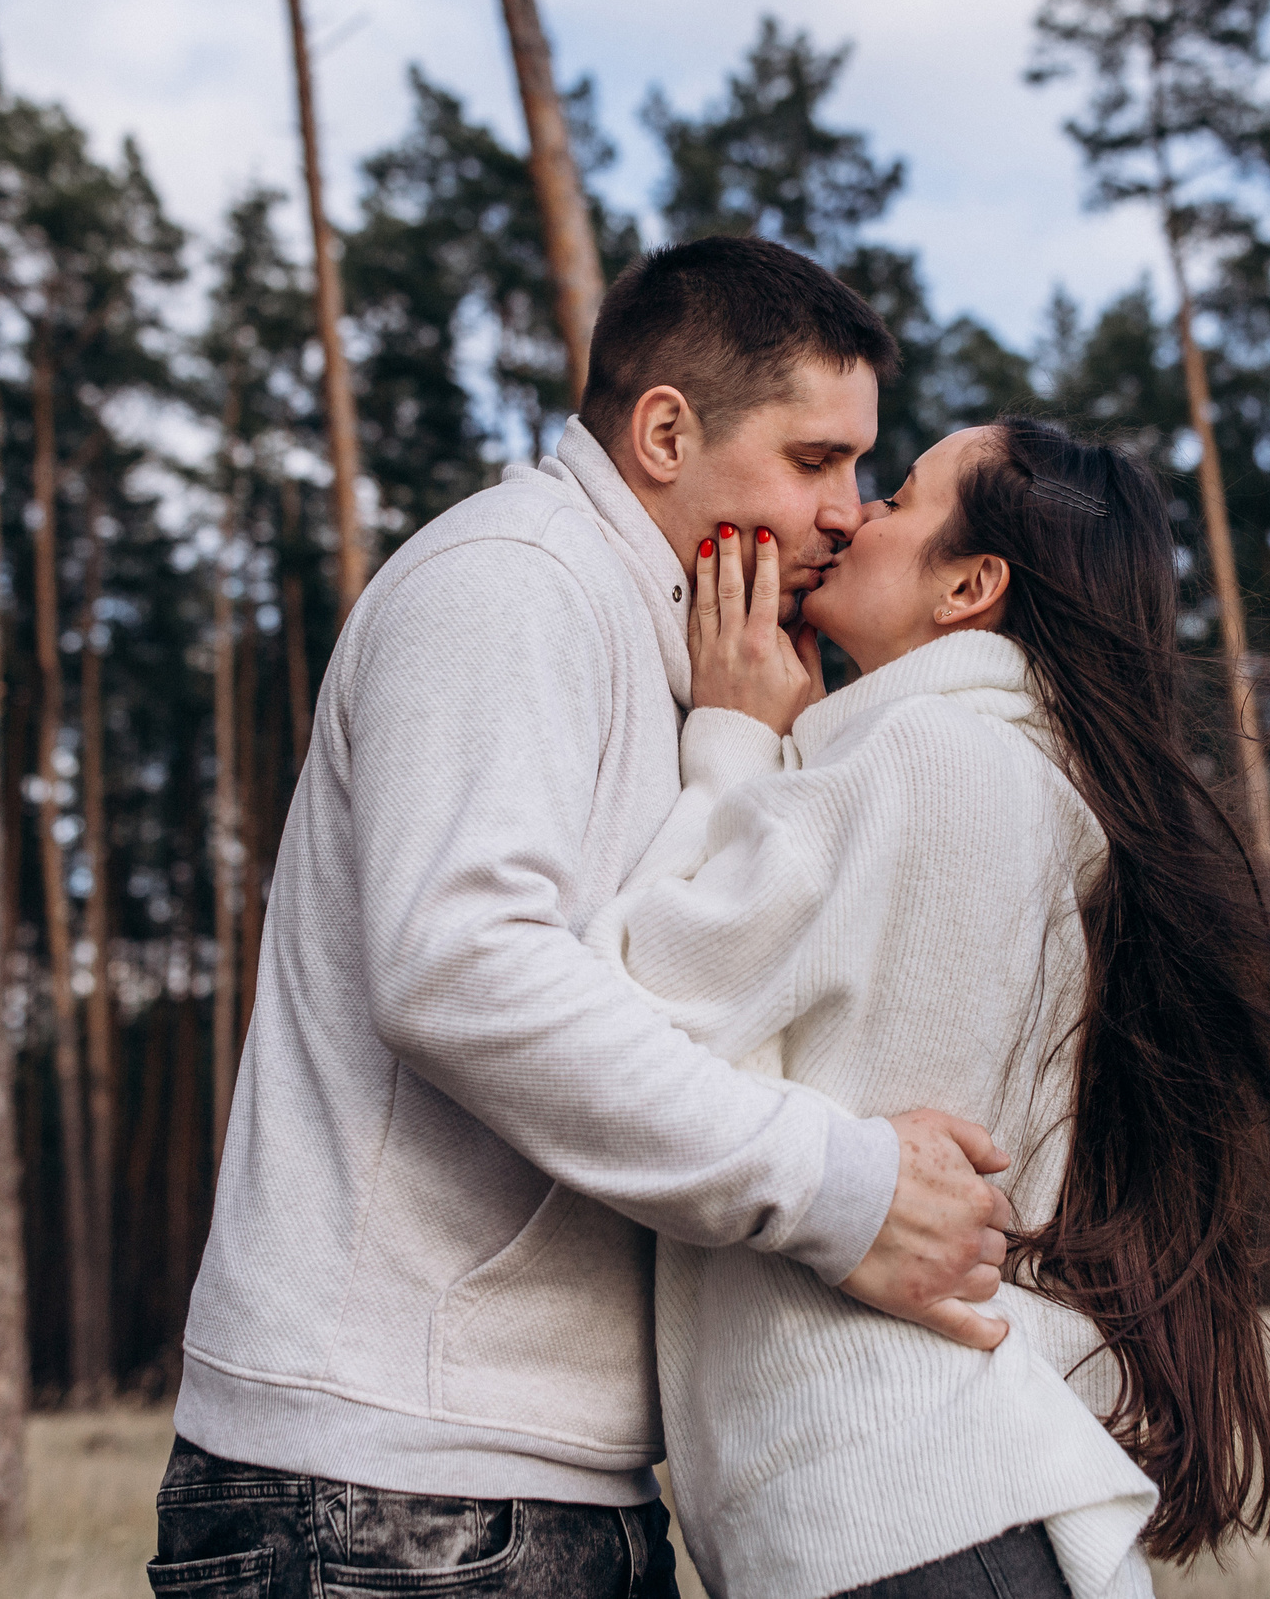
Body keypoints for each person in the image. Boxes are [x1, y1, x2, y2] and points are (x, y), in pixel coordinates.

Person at [149, 238, 1022, 1599]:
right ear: (665, 430)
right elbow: (463, 967)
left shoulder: (672, 632)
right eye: (813, 460)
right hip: (394, 1491)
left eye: (863, 468)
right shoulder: (512, 581)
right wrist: (844, 1188)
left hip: (518, 1487)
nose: (847, 511)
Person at [593, 419, 1270, 1598]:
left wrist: (727, 740)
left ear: (971, 585)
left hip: (901, 1517)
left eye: (900, 495)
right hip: (936, 1513)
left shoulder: (928, 759)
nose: (853, 514)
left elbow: (626, 1009)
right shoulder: (1004, 773)